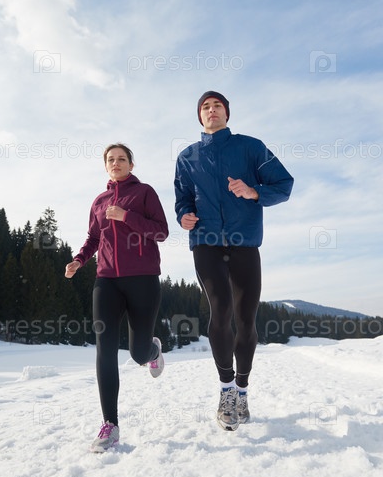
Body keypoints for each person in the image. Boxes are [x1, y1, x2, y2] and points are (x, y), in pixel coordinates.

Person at [174, 91, 294, 431]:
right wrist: (184, 215)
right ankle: (226, 389)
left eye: (218, 106)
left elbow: (284, 184)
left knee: (245, 319)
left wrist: (254, 191)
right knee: (221, 310)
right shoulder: (187, 157)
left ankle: (242, 389)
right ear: (200, 116)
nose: (212, 110)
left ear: (227, 113)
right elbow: (183, 199)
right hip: (206, 243)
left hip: (245, 242)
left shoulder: (251, 147)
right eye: (205, 107)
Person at [65, 143, 169, 451]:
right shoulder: (99, 201)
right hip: (106, 280)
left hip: (143, 279)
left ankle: (152, 350)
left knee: (137, 354)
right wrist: (79, 260)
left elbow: (161, 231)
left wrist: (126, 217)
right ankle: (110, 425)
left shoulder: (145, 193)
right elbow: (93, 238)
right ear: (106, 166)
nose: (116, 163)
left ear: (131, 165)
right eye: (110, 159)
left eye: (122, 158)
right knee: (105, 349)